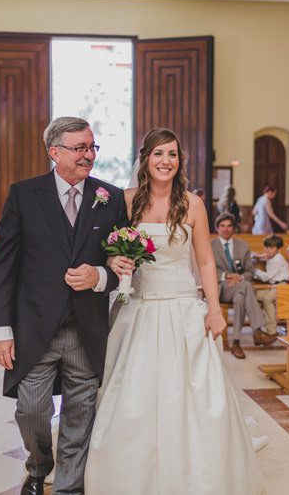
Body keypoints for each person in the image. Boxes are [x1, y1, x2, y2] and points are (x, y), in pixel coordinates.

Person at [85, 128, 263, 494]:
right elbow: (107, 251)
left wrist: (215, 309)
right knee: (133, 396)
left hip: (184, 308)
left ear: (179, 161)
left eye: (172, 155)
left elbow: (206, 262)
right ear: (145, 158)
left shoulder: (192, 204)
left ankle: (199, 472)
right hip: (139, 308)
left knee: (195, 395)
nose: (166, 161)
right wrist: (115, 258)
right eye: (158, 154)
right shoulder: (126, 200)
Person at [0, 117, 127, 495]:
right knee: (31, 409)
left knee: (80, 411)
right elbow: (4, 266)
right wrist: (1, 331)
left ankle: (68, 485)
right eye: (79, 147)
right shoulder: (24, 195)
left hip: (86, 327)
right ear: (55, 152)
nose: (88, 155)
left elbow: (123, 265)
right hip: (34, 328)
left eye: (92, 147)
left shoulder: (111, 198)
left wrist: (99, 275)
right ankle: (38, 468)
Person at [211, 212, 276, 356]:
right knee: (246, 286)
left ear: (234, 228)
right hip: (221, 287)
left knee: (241, 296)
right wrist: (227, 275)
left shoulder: (243, 246)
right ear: (217, 228)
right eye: (222, 226)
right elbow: (206, 271)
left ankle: (236, 343)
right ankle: (257, 332)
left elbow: (249, 271)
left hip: (239, 287)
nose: (226, 229)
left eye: (229, 226)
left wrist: (239, 277)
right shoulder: (210, 246)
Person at [252, 234, 289, 337]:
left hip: (283, 285)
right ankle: (260, 326)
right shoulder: (271, 257)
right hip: (274, 286)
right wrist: (258, 256)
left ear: (277, 249)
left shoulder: (278, 259)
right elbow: (254, 255)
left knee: (267, 299)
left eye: (271, 248)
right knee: (255, 296)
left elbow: (267, 277)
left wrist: (254, 271)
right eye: (266, 247)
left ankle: (272, 331)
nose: (268, 250)